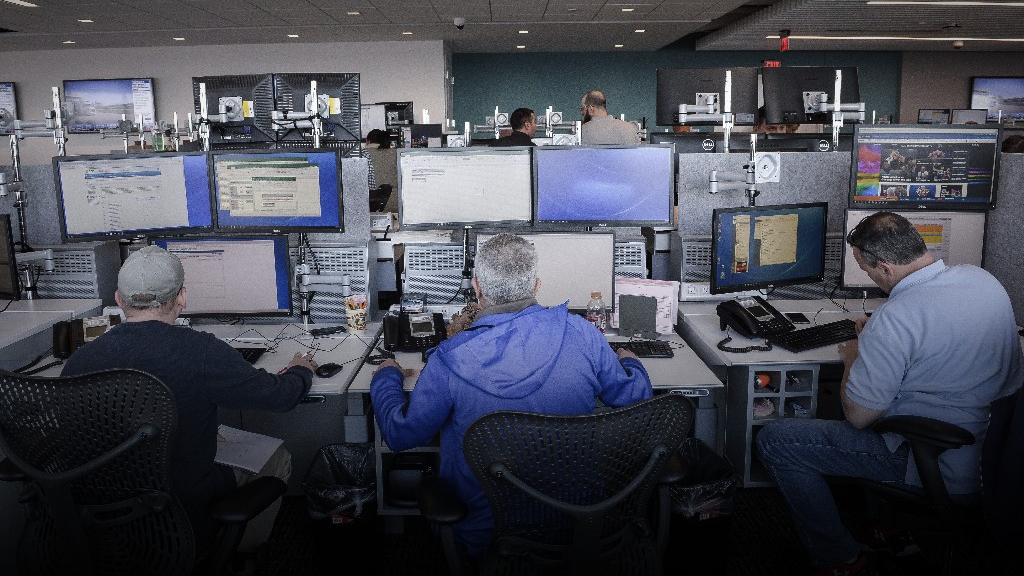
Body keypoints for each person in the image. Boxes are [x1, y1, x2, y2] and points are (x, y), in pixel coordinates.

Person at [756, 212, 1023, 576]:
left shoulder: (895, 318)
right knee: (885, 407)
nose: (871, 279)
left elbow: (859, 416)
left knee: (777, 440)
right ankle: (888, 527)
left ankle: (840, 558)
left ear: (885, 268)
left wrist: (854, 356)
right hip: (994, 458)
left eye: (867, 272)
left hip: (940, 466)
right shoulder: (983, 280)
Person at [370, 233, 653, 559]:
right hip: (579, 525)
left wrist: (387, 378)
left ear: (476, 287)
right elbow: (636, 397)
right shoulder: (583, 333)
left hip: (487, 537)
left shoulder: (449, 358)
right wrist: (630, 360)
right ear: (536, 285)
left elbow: (400, 436)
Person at [62, 246, 318, 555]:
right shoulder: (200, 351)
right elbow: (281, 396)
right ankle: (232, 556)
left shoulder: (79, 362)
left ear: (118, 299)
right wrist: (301, 370)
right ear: (182, 296)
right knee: (278, 458)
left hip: (102, 519)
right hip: (183, 508)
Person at [365, 129, 397, 212]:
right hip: (396, 204)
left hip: (372, 206)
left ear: (368, 141)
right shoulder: (396, 153)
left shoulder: (363, 154)